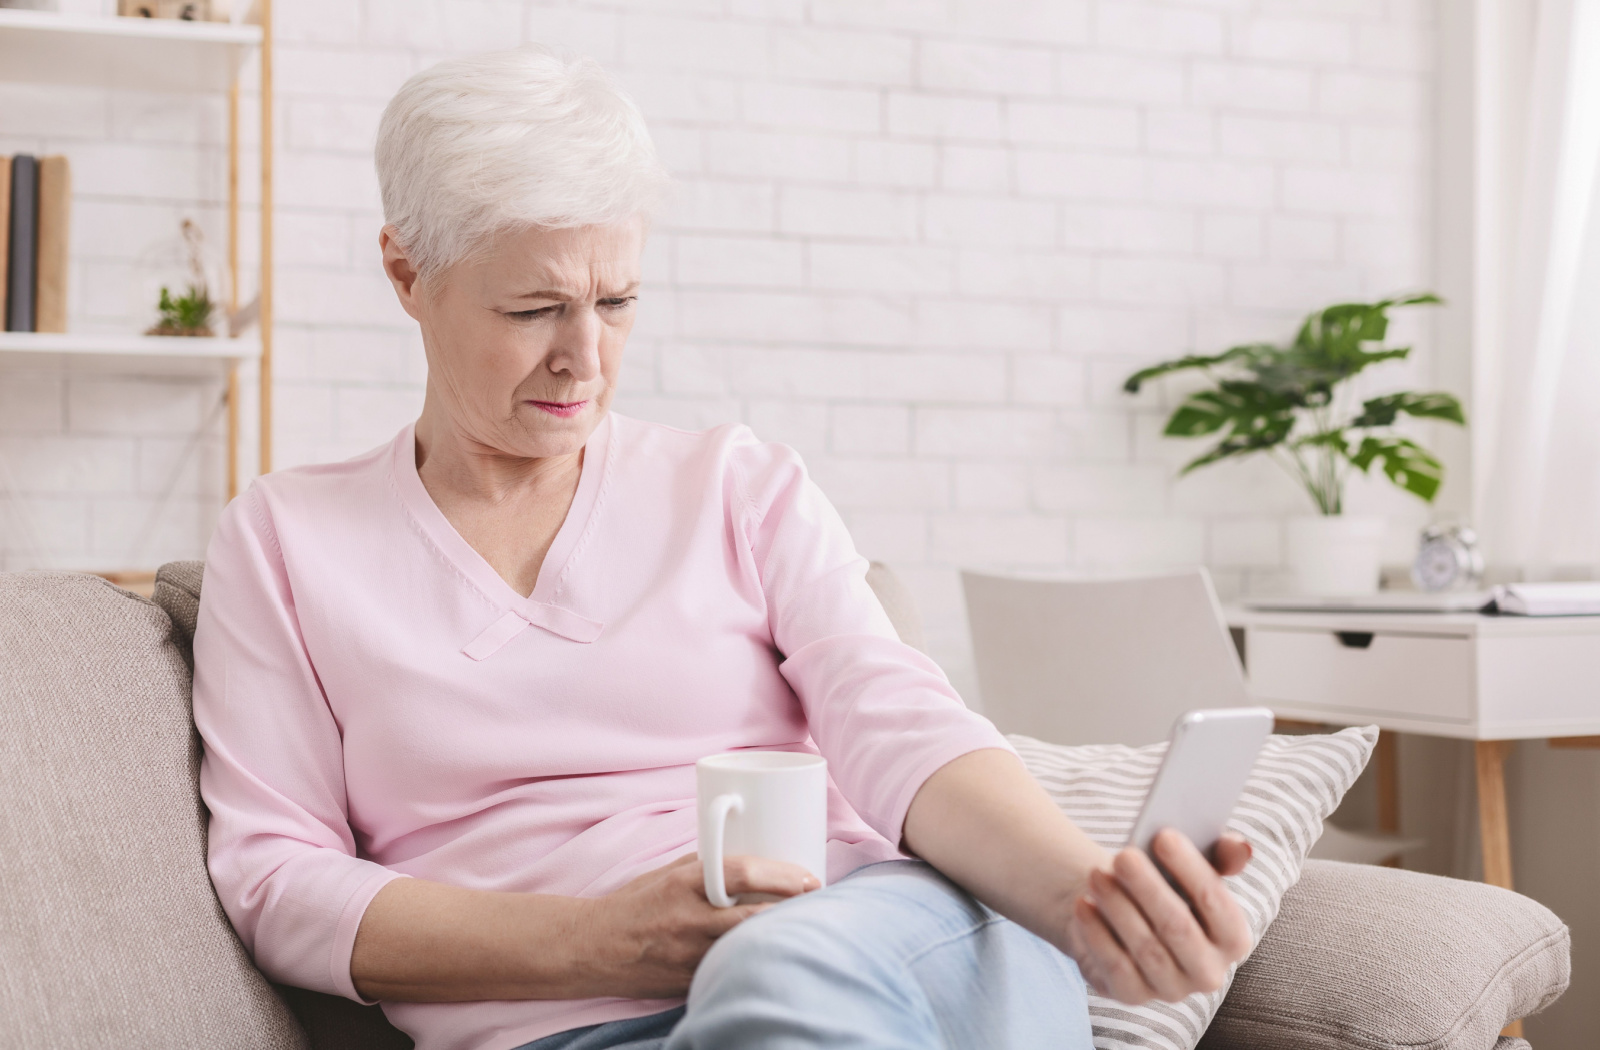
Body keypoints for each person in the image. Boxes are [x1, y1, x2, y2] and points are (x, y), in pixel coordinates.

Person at [192, 46, 1253, 1050]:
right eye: (533, 307)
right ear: (405, 272)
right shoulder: (286, 543)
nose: (584, 358)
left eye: (617, 302)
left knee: (781, 975)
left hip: (868, 945)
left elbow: (903, 726)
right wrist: (593, 942)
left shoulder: (738, 485)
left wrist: (1090, 898)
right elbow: (277, 882)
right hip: (564, 1027)